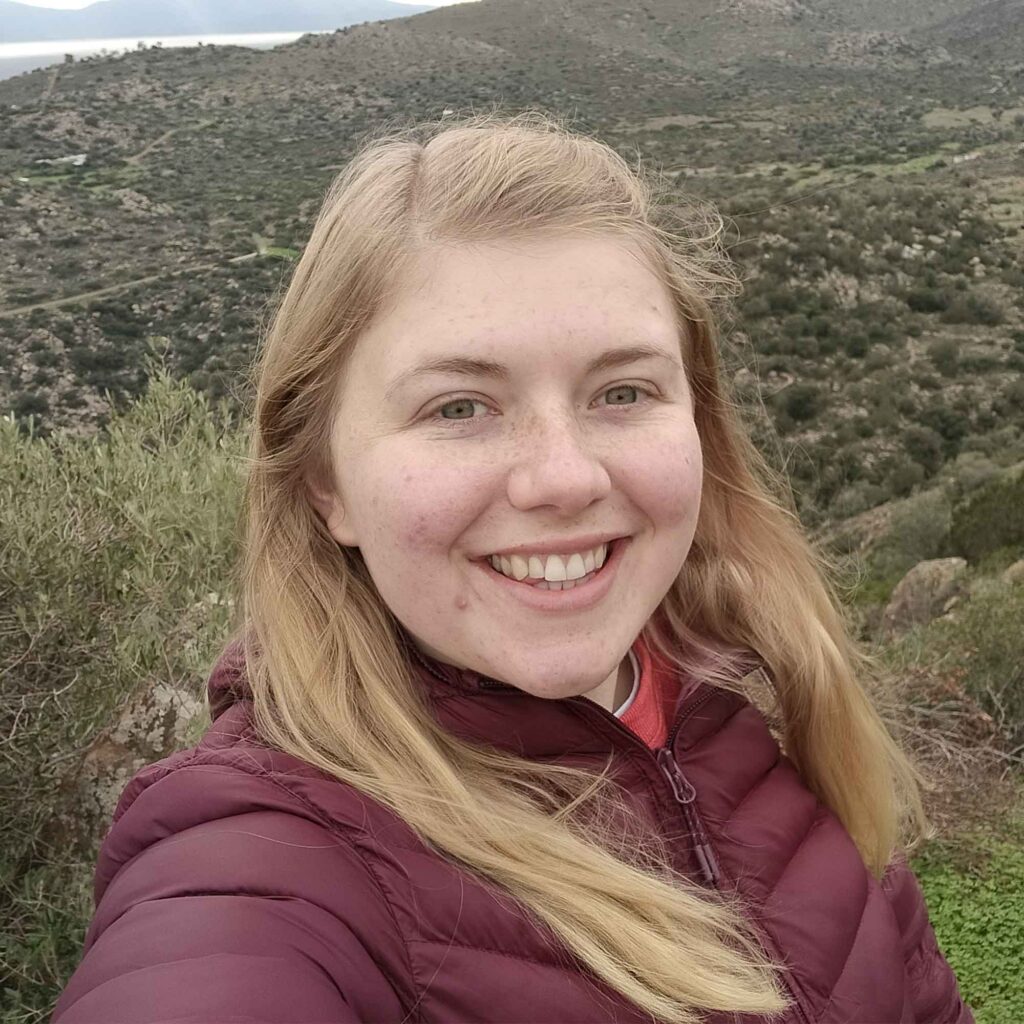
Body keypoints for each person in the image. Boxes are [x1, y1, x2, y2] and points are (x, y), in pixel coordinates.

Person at [52, 111, 974, 1024]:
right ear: (326, 482)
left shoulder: (767, 715)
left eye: (623, 392)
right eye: (459, 408)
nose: (564, 478)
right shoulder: (260, 857)